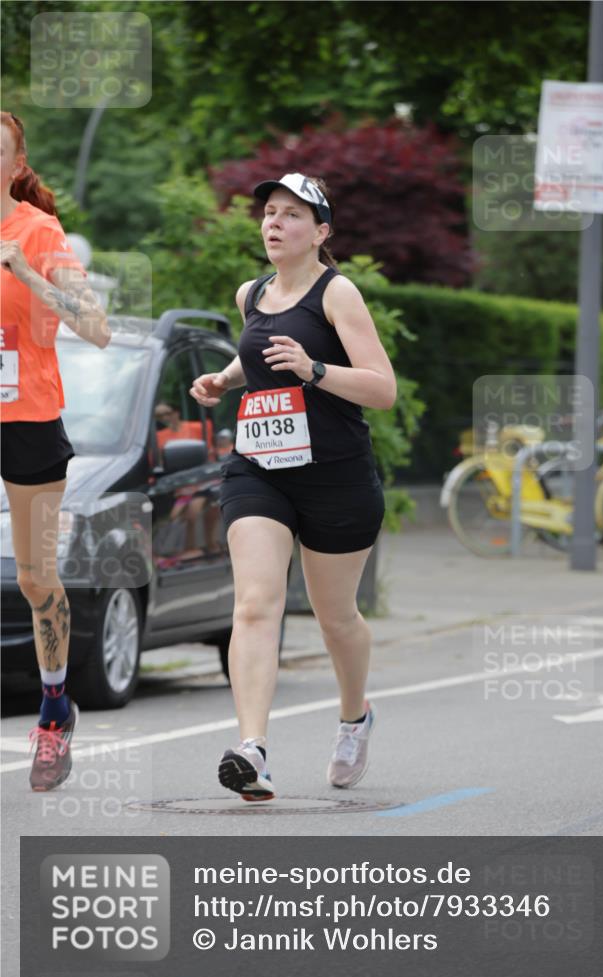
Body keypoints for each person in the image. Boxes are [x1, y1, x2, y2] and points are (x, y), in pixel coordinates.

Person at [191, 172, 396, 802]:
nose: (273, 223)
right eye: (269, 213)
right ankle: (251, 749)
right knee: (255, 604)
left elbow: (382, 388)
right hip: (260, 469)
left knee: (336, 618)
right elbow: (260, 352)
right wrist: (226, 379)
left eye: (291, 215)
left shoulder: (339, 294)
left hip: (335, 475)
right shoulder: (251, 293)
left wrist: (315, 371)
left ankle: (355, 715)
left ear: (321, 232)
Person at [0, 112, 110, 791]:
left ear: (16, 166)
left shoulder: (37, 232)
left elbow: (96, 327)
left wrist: (24, 273)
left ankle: (52, 710)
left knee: (36, 577)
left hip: (26, 417)